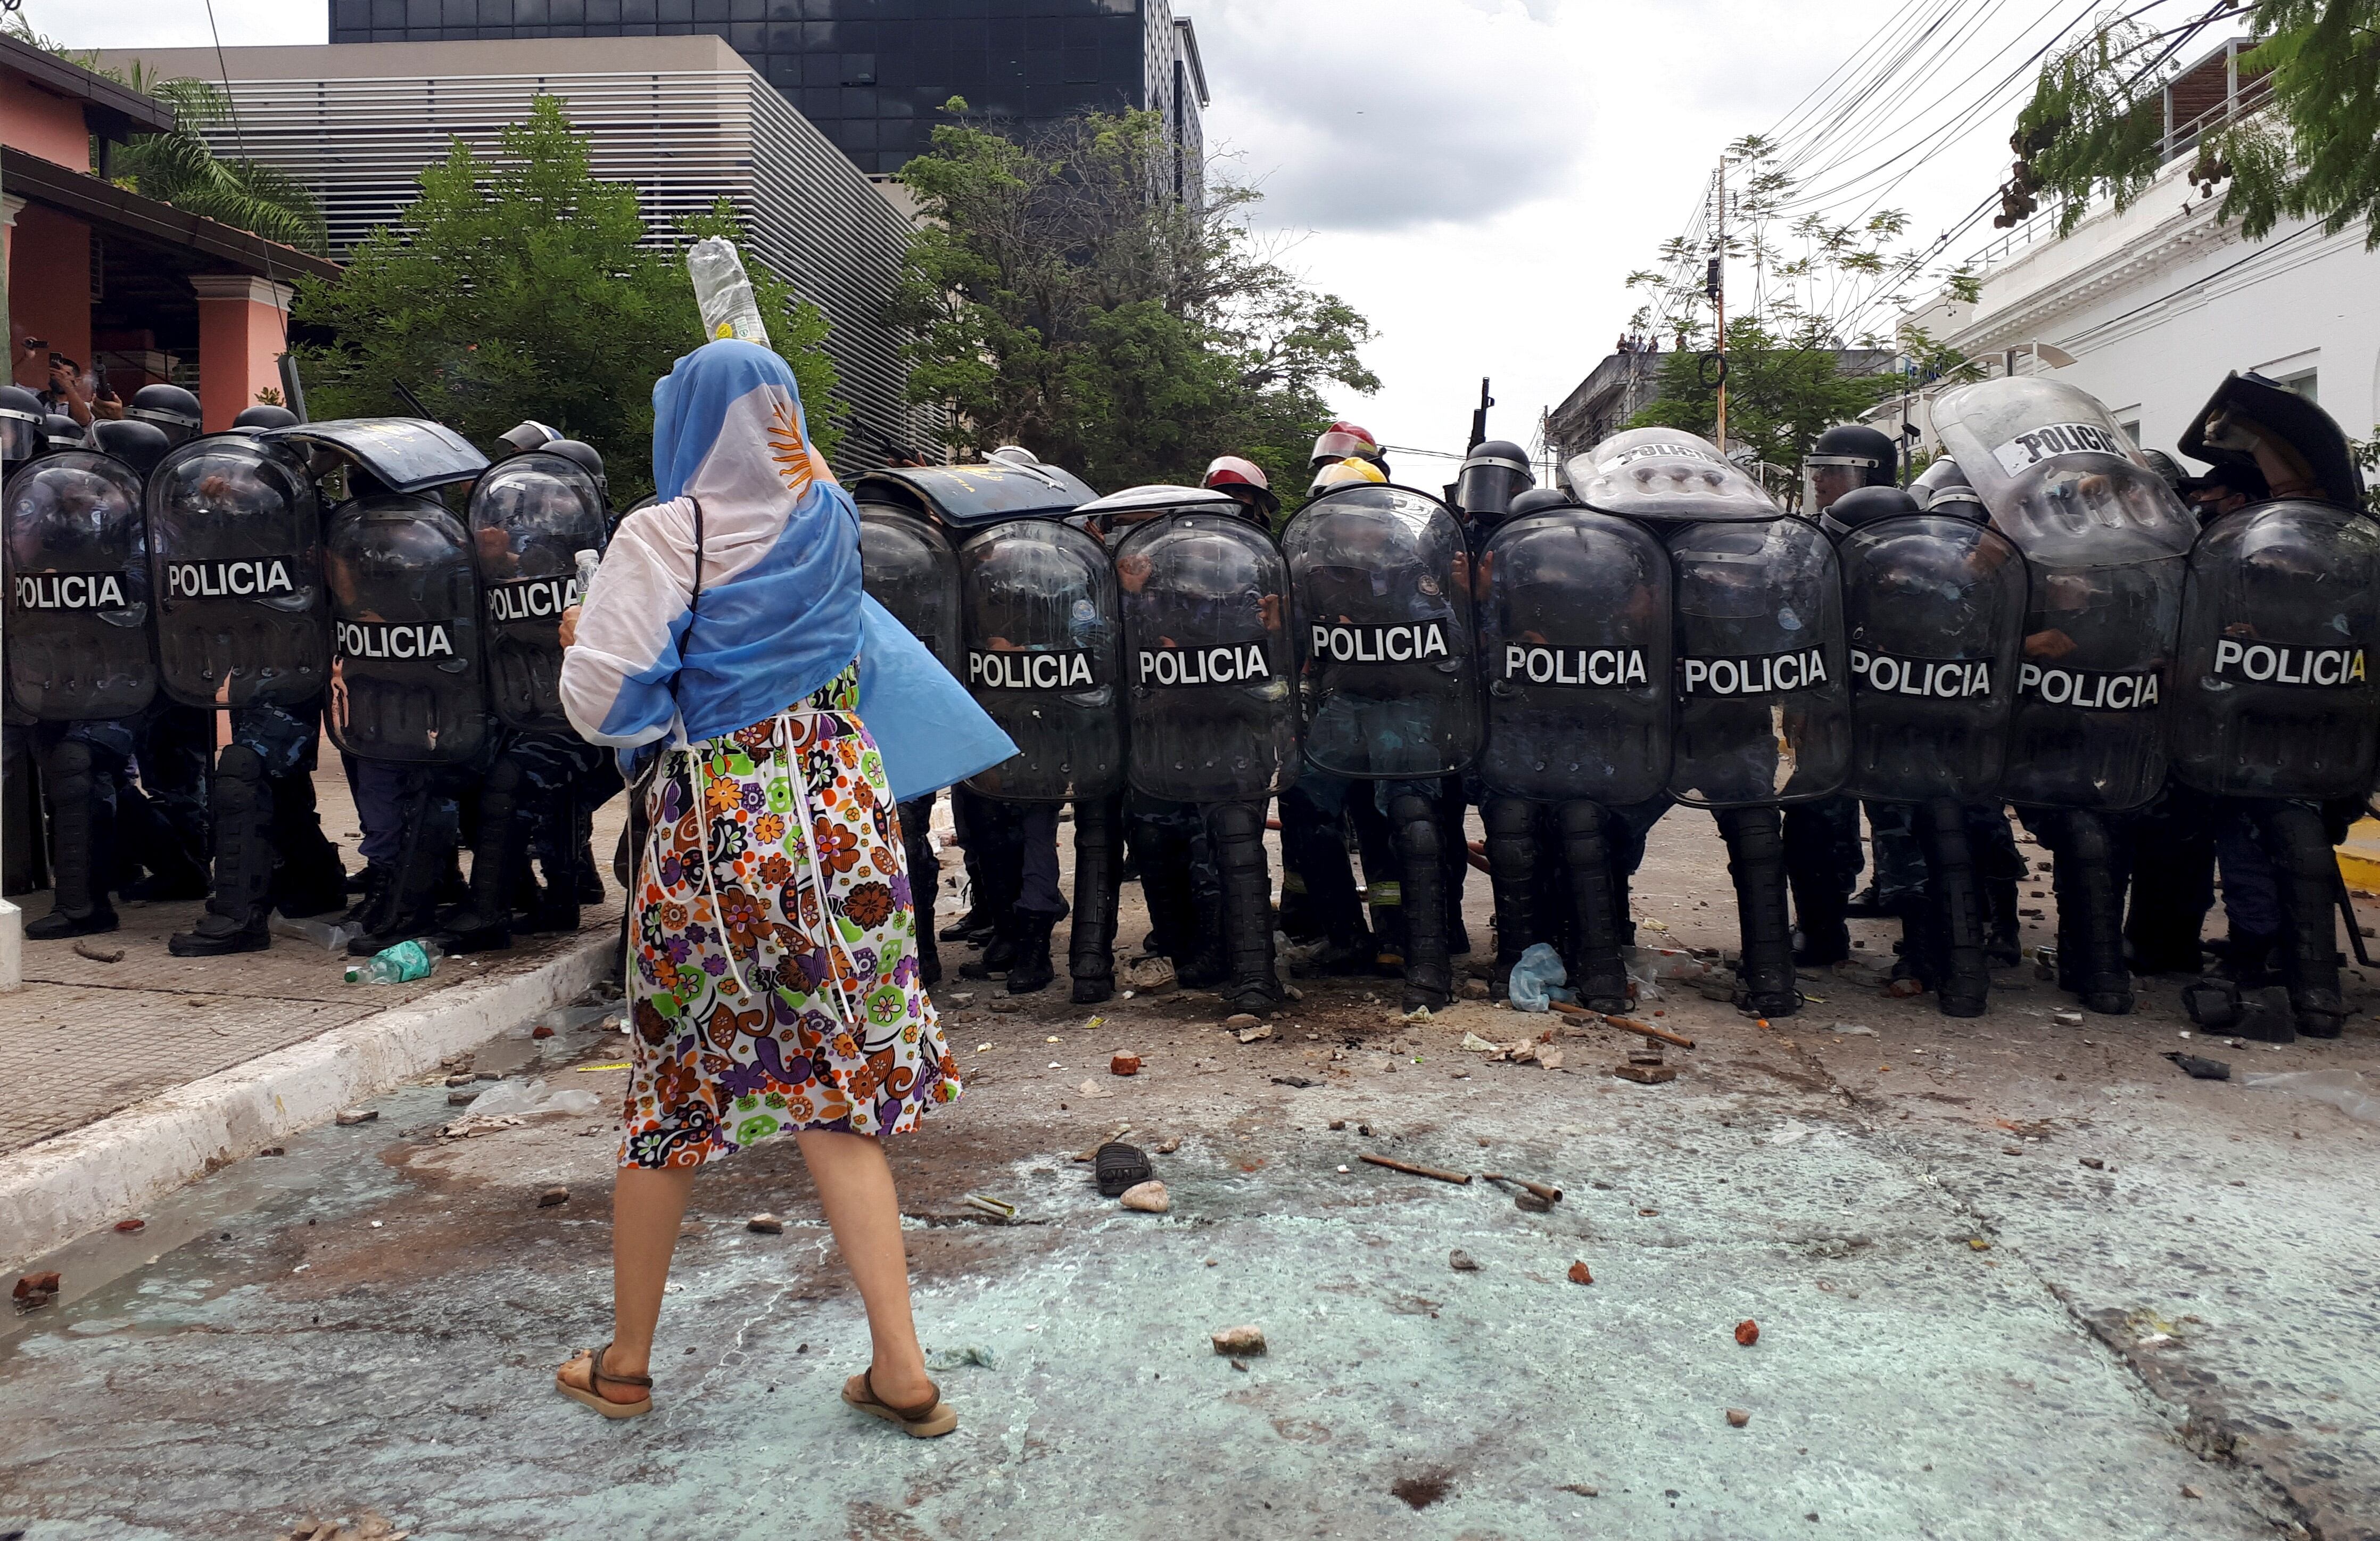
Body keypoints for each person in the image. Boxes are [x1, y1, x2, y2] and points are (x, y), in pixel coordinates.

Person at [552, 340, 981, 1431]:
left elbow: (606, 708)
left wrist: (584, 640)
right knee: (839, 1091)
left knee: (673, 1092)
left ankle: (628, 1363)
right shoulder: (830, 517)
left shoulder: (662, 533)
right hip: (845, 822)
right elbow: (805, 463)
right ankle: (902, 1367)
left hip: (723, 833)